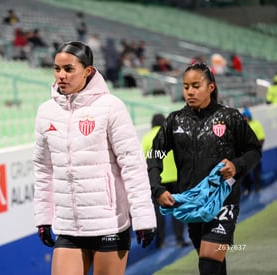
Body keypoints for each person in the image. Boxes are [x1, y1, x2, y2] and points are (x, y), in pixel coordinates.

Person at [33, 41, 157, 275]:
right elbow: (43, 168)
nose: (61, 75)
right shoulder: (45, 112)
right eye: (57, 69)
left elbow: (132, 165)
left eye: (69, 69)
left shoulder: (111, 107)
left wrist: (143, 217)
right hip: (68, 227)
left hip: (109, 224)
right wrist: (43, 217)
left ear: (88, 71)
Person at [147, 63, 262, 275]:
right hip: (191, 206)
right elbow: (155, 155)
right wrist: (158, 189)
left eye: (196, 85)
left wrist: (237, 165)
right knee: (214, 267)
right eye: (186, 86)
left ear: (211, 87)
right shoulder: (174, 121)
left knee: (208, 263)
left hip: (223, 203)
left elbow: (254, 150)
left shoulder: (230, 117)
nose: (190, 91)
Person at [141, 113, 188, 249]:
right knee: (177, 210)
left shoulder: (146, 138)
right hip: (174, 178)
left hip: (157, 181)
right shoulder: (172, 135)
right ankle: (180, 239)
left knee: (159, 212)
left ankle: (160, 242)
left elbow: (143, 161)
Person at [241, 107, 265, 195]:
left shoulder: (256, 124)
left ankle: (257, 187)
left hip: (254, 151)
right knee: (245, 172)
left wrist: (258, 150)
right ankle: (247, 188)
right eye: (244, 116)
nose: (245, 118)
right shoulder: (242, 126)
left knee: (256, 170)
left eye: (246, 116)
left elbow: (261, 138)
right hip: (245, 153)